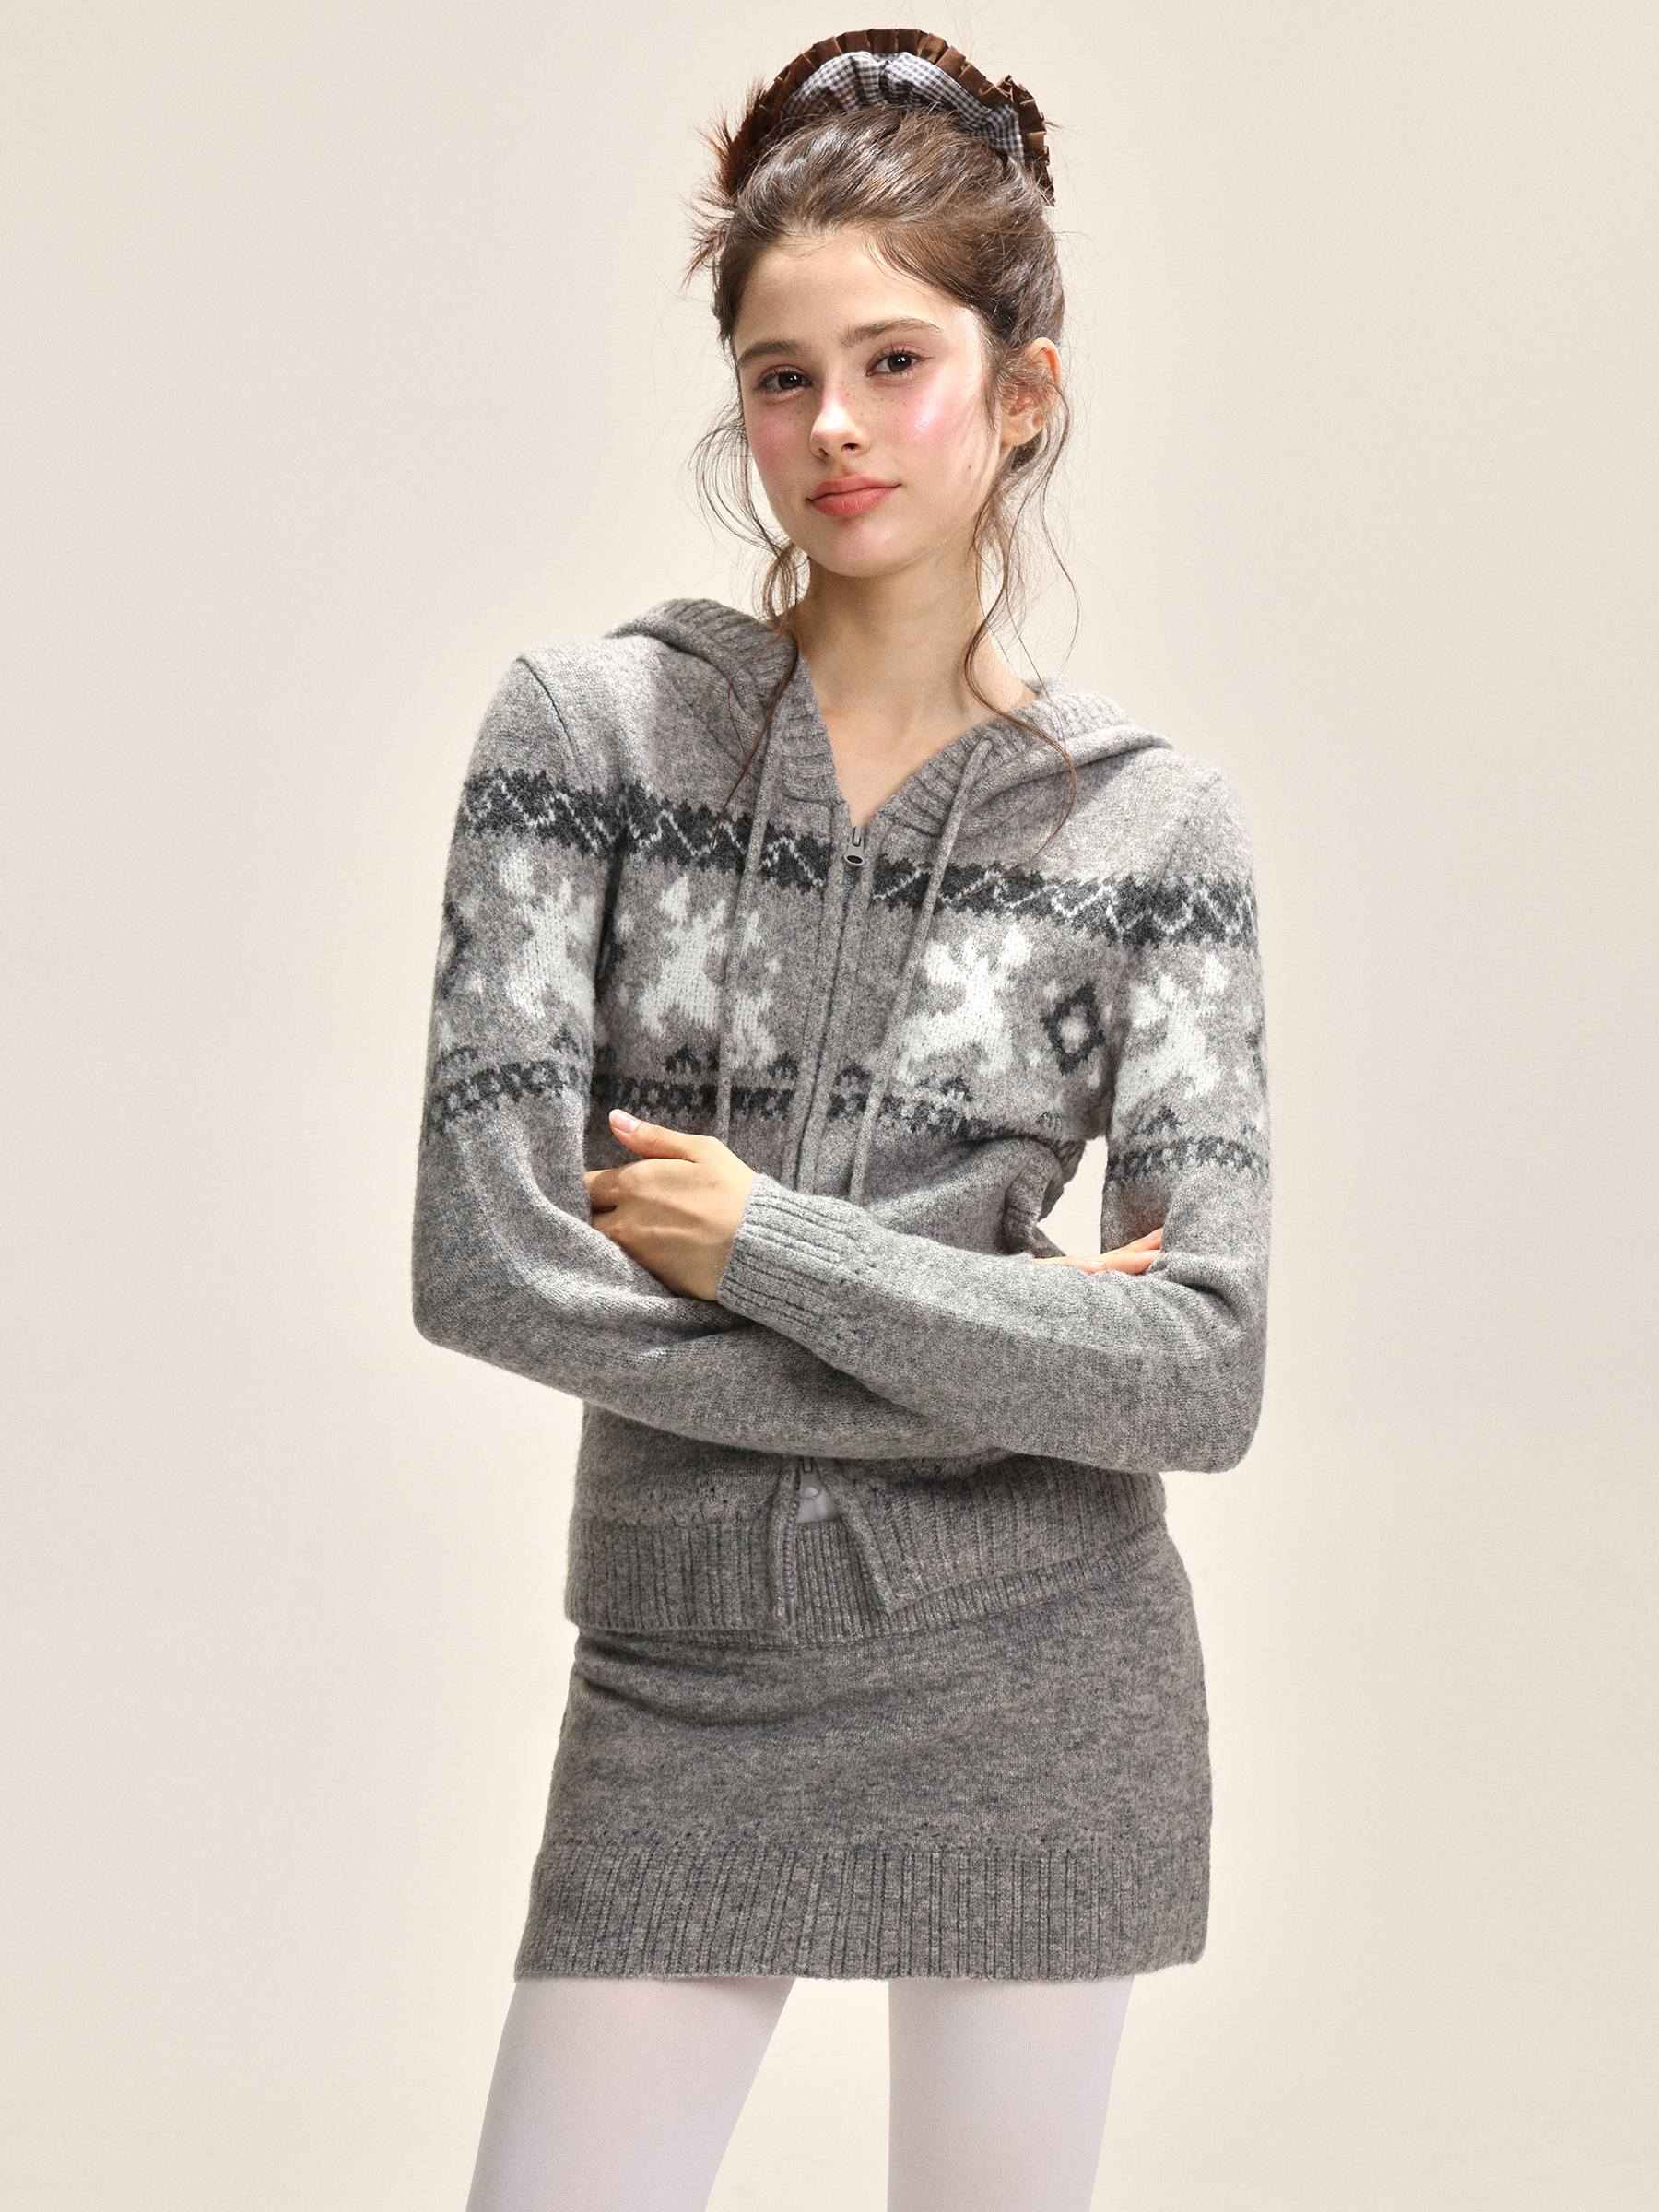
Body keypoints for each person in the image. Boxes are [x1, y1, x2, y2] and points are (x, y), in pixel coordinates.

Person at [413, 28, 1270, 2211]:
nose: (837, 430)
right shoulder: (591, 741)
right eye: (783, 379)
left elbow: (1204, 1370)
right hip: (681, 1670)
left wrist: (765, 1244)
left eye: (897, 363)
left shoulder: (1153, 831)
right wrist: (1025, 1349)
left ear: (1023, 390)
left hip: (1044, 1682)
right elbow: (486, 1264)